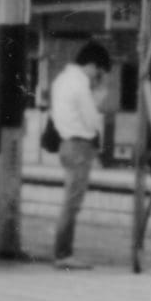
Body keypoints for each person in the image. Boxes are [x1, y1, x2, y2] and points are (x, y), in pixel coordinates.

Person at [45, 36, 111, 267]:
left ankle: (64, 253)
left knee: (71, 199)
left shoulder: (61, 80)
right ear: (92, 65)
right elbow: (91, 119)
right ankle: (63, 254)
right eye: (98, 72)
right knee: (72, 202)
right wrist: (99, 95)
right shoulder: (80, 84)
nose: (97, 77)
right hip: (79, 145)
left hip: (66, 143)